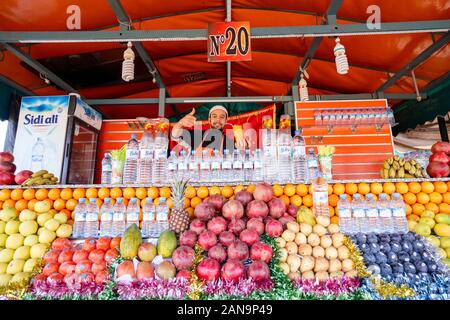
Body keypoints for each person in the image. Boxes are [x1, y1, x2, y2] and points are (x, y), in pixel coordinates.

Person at [170, 105, 246, 155]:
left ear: (226, 121)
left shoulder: (230, 142)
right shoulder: (197, 135)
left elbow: (239, 159)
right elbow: (175, 135)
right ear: (209, 119)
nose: (218, 120)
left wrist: (241, 147)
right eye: (214, 116)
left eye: (222, 117)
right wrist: (180, 123)